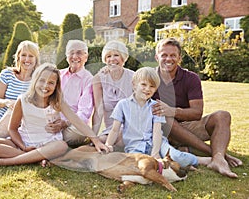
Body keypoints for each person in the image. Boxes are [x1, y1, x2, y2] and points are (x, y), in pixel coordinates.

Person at [0, 63, 109, 167]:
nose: (45, 86)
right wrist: (23, 147)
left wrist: (96, 141)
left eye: (51, 83)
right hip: (24, 143)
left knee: (61, 146)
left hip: (48, 145)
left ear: (56, 86)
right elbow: (12, 129)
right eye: (42, 80)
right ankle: (34, 158)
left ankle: (4, 162)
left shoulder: (57, 102)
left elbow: (77, 121)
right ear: (35, 81)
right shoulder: (22, 100)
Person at [151, 37, 242, 177]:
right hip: (163, 130)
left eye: (173, 55)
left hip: (189, 126)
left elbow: (197, 113)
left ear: (179, 58)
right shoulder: (150, 77)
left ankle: (215, 157)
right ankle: (217, 156)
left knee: (222, 115)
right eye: (164, 55)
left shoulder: (191, 78)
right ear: (157, 57)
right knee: (166, 119)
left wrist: (173, 110)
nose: (168, 59)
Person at [104, 67, 211, 168]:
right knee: (140, 165)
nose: (147, 89)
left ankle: (199, 160)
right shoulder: (123, 105)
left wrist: (155, 153)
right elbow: (114, 129)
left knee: (177, 157)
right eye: (143, 85)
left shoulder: (156, 106)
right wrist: (108, 144)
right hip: (135, 146)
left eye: (152, 86)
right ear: (134, 85)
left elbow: (157, 132)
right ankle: (172, 164)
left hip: (158, 143)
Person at [92, 40, 134, 146]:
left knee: (121, 138)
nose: (112, 59)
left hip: (130, 128)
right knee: (100, 141)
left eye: (116, 55)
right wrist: (94, 138)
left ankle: (111, 149)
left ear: (123, 58)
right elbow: (98, 111)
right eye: (108, 56)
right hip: (110, 131)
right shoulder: (99, 78)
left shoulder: (133, 77)